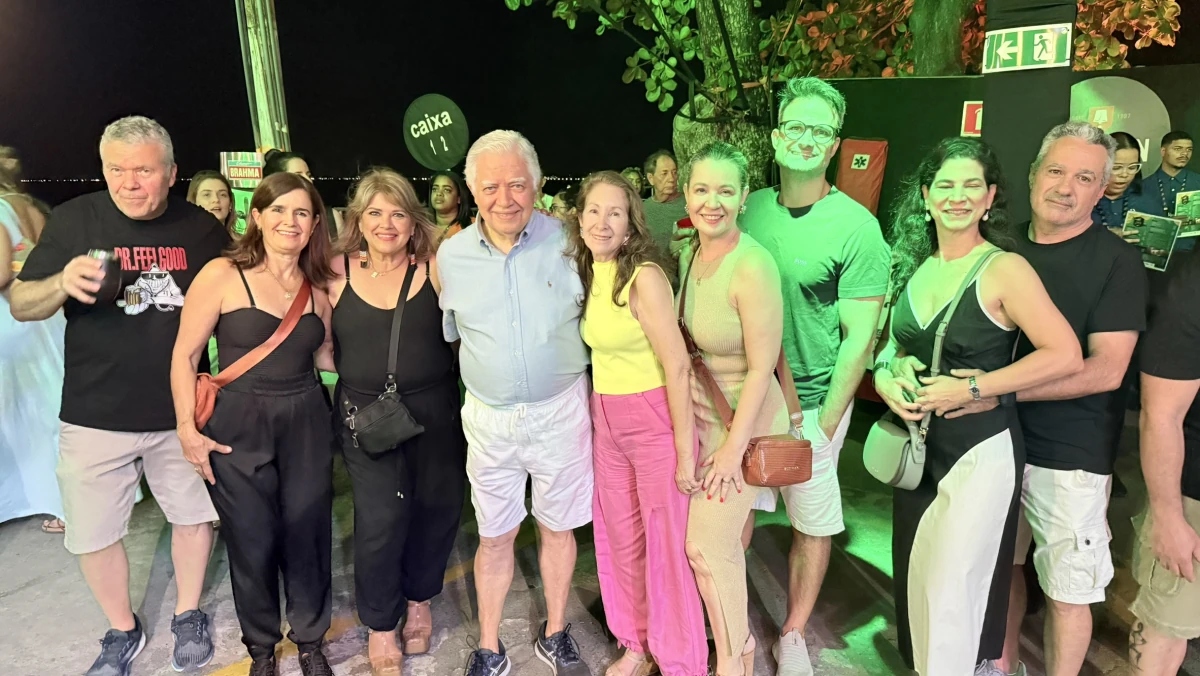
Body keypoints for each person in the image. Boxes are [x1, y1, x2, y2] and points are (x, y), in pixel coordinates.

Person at [10, 116, 227, 675]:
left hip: (180, 412)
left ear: (172, 173)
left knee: (193, 517)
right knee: (91, 533)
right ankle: (122, 627)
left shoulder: (203, 229)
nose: (129, 183)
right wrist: (61, 282)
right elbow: (22, 303)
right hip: (94, 413)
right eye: (116, 170)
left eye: (144, 171)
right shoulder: (75, 219)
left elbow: (242, 296)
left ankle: (187, 613)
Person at [941, 123, 1145, 676]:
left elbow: (1107, 370)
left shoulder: (1117, 261)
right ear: (1032, 175)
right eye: (1056, 170)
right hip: (990, 441)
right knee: (1000, 569)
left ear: (1102, 190)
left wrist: (991, 390)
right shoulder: (997, 247)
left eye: (1085, 178)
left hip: (1070, 455)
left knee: (1067, 589)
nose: (1065, 187)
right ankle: (1000, 665)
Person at [874, 136, 1083, 676]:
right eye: (945, 185)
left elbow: (1065, 353)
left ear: (990, 198)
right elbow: (894, 347)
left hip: (978, 453)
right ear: (925, 196)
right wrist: (886, 376)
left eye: (971, 185)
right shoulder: (915, 265)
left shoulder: (1003, 269)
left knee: (953, 592)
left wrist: (975, 388)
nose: (957, 196)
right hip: (919, 454)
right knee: (918, 581)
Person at [737, 76, 891, 675]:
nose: (806, 139)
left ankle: (794, 633)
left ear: (833, 146)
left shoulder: (856, 228)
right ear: (777, 138)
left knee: (811, 521)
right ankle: (730, 621)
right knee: (735, 512)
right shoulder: (748, 208)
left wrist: (826, 423)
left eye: (819, 130)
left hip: (811, 398)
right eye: (796, 126)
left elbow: (860, 338)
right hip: (744, 396)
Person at [438, 130, 593, 676]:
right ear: (472, 192)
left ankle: (555, 631)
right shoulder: (451, 255)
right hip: (489, 417)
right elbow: (454, 334)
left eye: (517, 185)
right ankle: (489, 645)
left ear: (538, 184)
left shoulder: (573, 243)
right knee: (495, 533)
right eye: (490, 187)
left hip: (561, 410)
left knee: (558, 528)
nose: (504, 199)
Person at [170, 171, 336, 676]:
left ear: (314, 225)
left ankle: (310, 641)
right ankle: (261, 649)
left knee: (308, 534)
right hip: (238, 424)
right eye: (279, 210)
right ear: (257, 217)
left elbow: (327, 359)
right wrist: (186, 429)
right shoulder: (222, 274)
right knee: (251, 539)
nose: (290, 221)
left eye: (302, 212)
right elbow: (185, 355)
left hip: (306, 419)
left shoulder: (318, 288)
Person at [328, 168, 467, 675]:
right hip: (367, 418)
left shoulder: (435, 268)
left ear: (414, 221)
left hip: (433, 411)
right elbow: (320, 343)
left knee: (435, 508)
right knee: (380, 519)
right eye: (375, 213)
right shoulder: (335, 272)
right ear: (358, 220)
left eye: (398, 214)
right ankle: (382, 623)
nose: (386, 224)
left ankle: (420, 600)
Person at [569, 170, 706, 676]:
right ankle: (637, 644)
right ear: (579, 218)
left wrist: (685, 452)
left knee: (666, 546)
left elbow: (677, 365)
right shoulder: (589, 271)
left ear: (631, 224)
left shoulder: (643, 276)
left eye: (615, 213)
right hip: (606, 419)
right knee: (620, 539)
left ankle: (681, 661)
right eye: (594, 211)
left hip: (652, 419)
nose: (602, 222)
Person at [678, 142, 789, 676]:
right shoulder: (689, 255)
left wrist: (731, 449)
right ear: (686, 194)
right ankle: (735, 645)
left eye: (726, 190)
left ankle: (733, 658)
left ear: (744, 197)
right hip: (706, 419)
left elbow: (763, 368)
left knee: (705, 546)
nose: (712, 201)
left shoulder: (753, 264)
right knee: (714, 547)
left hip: (746, 422)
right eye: (702, 189)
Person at [1127, 253, 1200, 676]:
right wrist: (1169, 518)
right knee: (1165, 628)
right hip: (1193, 498)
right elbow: (1160, 414)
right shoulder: (1193, 284)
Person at [1, 146, 67, 533]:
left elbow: (0, 273)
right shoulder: (33, 208)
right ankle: (67, 496)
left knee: (24, 413)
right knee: (54, 404)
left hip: (16, 319)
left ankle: (48, 498)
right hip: (49, 313)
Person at [1095, 132, 1158, 232]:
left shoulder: (1148, 201)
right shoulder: (1081, 201)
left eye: (1132, 167)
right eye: (1116, 168)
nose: (1124, 174)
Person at [642, 150, 687, 258]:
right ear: (651, 178)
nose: (671, 179)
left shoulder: (689, 203)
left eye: (674, 172)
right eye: (664, 173)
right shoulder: (643, 209)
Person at [1144, 131, 1196, 218]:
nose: (1185, 154)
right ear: (1163, 151)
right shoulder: (1143, 187)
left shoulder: (1197, 182)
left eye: (1189, 149)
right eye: (1178, 149)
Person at [187, 170, 239, 235]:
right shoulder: (182, 239)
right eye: (207, 195)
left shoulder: (244, 241)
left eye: (222, 195)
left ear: (230, 204)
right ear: (193, 202)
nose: (216, 199)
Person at [429, 169, 472, 244]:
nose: (439, 193)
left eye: (446, 190)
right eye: (435, 189)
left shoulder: (473, 227)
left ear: (459, 198)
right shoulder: (421, 227)